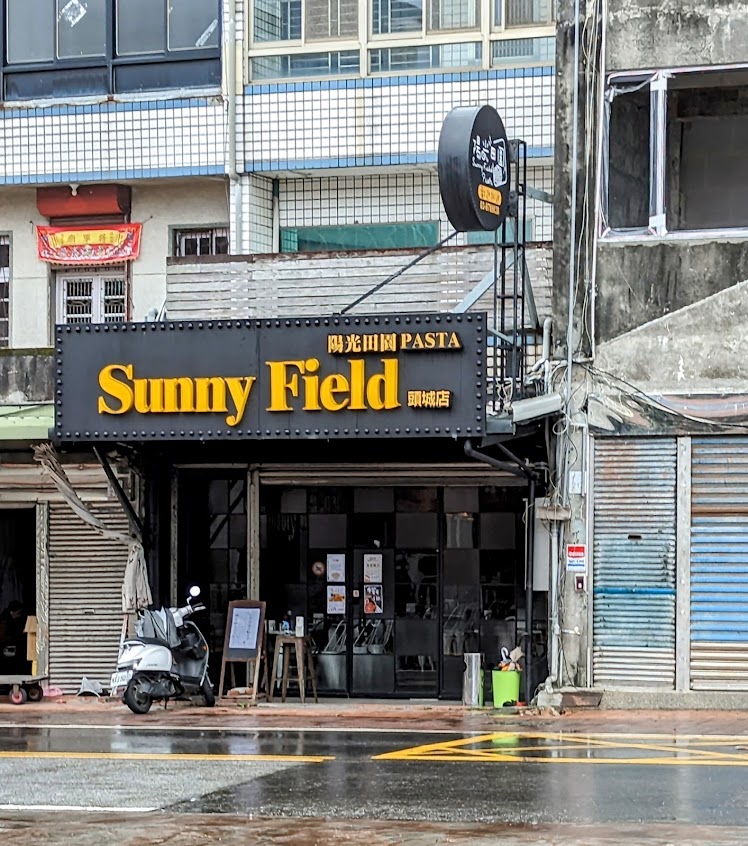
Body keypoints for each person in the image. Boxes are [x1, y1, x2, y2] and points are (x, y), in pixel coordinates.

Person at [0, 601, 28, 673]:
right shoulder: (4, 621)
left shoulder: (11, 620)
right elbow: (3, 637)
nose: (20, 615)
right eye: (18, 613)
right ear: (12, 612)